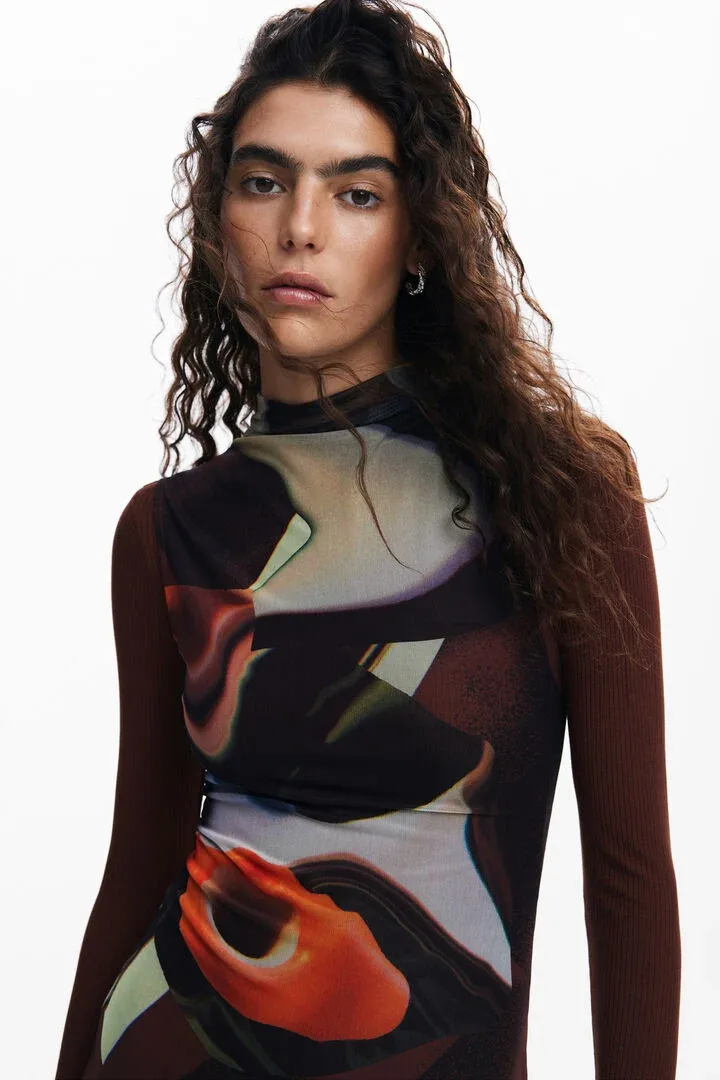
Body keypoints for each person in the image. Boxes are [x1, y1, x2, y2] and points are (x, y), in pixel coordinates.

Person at [54, 1, 681, 1077]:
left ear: (419, 233)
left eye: (356, 193)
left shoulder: (562, 496)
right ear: (217, 222)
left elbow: (627, 877)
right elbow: (139, 868)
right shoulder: (167, 532)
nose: (300, 227)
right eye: (264, 182)